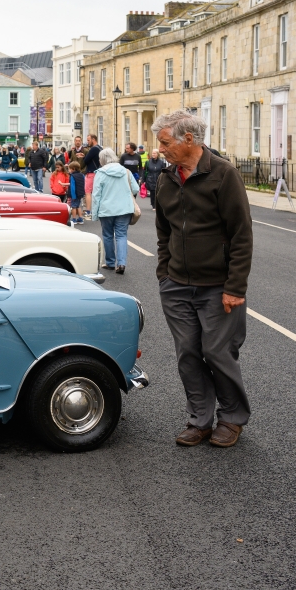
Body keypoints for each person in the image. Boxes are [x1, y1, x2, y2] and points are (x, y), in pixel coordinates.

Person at [151, 109, 253, 449]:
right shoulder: (166, 179)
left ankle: (232, 419)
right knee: (188, 355)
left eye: (165, 142)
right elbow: (163, 231)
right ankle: (199, 420)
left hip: (217, 287)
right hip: (177, 285)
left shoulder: (223, 174)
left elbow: (241, 235)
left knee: (218, 352)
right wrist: (164, 273)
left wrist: (235, 287)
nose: (160, 149)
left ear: (189, 139)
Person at [91, 148, 139, 275]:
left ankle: (110, 262)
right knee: (121, 235)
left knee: (107, 235)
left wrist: (94, 214)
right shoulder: (125, 171)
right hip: (124, 209)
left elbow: (96, 195)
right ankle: (122, 263)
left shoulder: (100, 173)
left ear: (102, 159)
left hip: (106, 209)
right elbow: (135, 188)